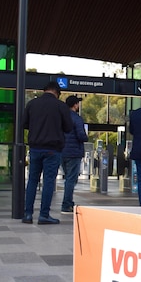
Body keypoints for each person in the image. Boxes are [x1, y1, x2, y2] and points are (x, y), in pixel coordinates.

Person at [22, 82, 73, 225]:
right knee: (48, 181)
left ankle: (27, 214)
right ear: (57, 92)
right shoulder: (61, 106)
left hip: (35, 148)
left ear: (44, 90)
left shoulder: (32, 104)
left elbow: (24, 124)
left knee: (32, 180)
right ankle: (44, 215)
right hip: (52, 149)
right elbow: (68, 127)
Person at [60, 95, 88, 214]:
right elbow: (81, 135)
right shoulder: (77, 119)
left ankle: (68, 202)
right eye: (78, 104)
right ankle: (66, 204)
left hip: (62, 151)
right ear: (75, 105)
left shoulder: (60, 117)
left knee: (68, 178)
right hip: (74, 152)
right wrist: (86, 137)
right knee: (71, 179)